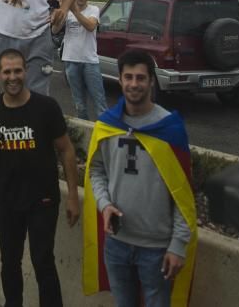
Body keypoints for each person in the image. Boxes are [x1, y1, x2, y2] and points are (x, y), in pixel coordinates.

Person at [0, 48, 80, 307]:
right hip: (7, 199)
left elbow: (66, 149)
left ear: (26, 72)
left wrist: (73, 195)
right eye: (7, 71)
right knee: (9, 261)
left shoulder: (46, 107)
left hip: (43, 199)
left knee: (43, 261)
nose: (12, 77)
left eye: (18, 70)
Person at [83, 49, 197, 307]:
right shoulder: (107, 125)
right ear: (120, 79)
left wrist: (178, 245)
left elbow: (183, 193)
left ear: (151, 81)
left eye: (140, 78)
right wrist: (104, 204)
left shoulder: (170, 129)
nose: (134, 84)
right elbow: (96, 170)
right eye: (128, 77)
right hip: (117, 243)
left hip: (156, 248)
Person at [53, 0, 107, 120]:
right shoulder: (67, 11)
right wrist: (61, 10)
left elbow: (90, 26)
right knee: (79, 104)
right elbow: (54, 30)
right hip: (71, 60)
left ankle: (104, 132)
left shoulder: (93, 10)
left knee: (99, 102)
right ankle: (85, 133)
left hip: (89, 61)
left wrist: (74, 10)